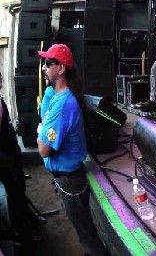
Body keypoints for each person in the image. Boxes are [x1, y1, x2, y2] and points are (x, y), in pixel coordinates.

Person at [37, 44, 109, 256]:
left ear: (60, 69)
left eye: (48, 63)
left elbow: (43, 149)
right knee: (84, 228)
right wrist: (43, 128)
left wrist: (41, 131)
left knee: (87, 234)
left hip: (69, 179)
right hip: (66, 177)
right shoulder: (58, 96)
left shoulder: (64, 104)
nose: (43, 68)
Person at [0, 71, 41, 247]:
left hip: (10, 154)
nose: (1, 79)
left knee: (19, 190)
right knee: (15, 194)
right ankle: (26, 236)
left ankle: (29, 221)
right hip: (4, 159)